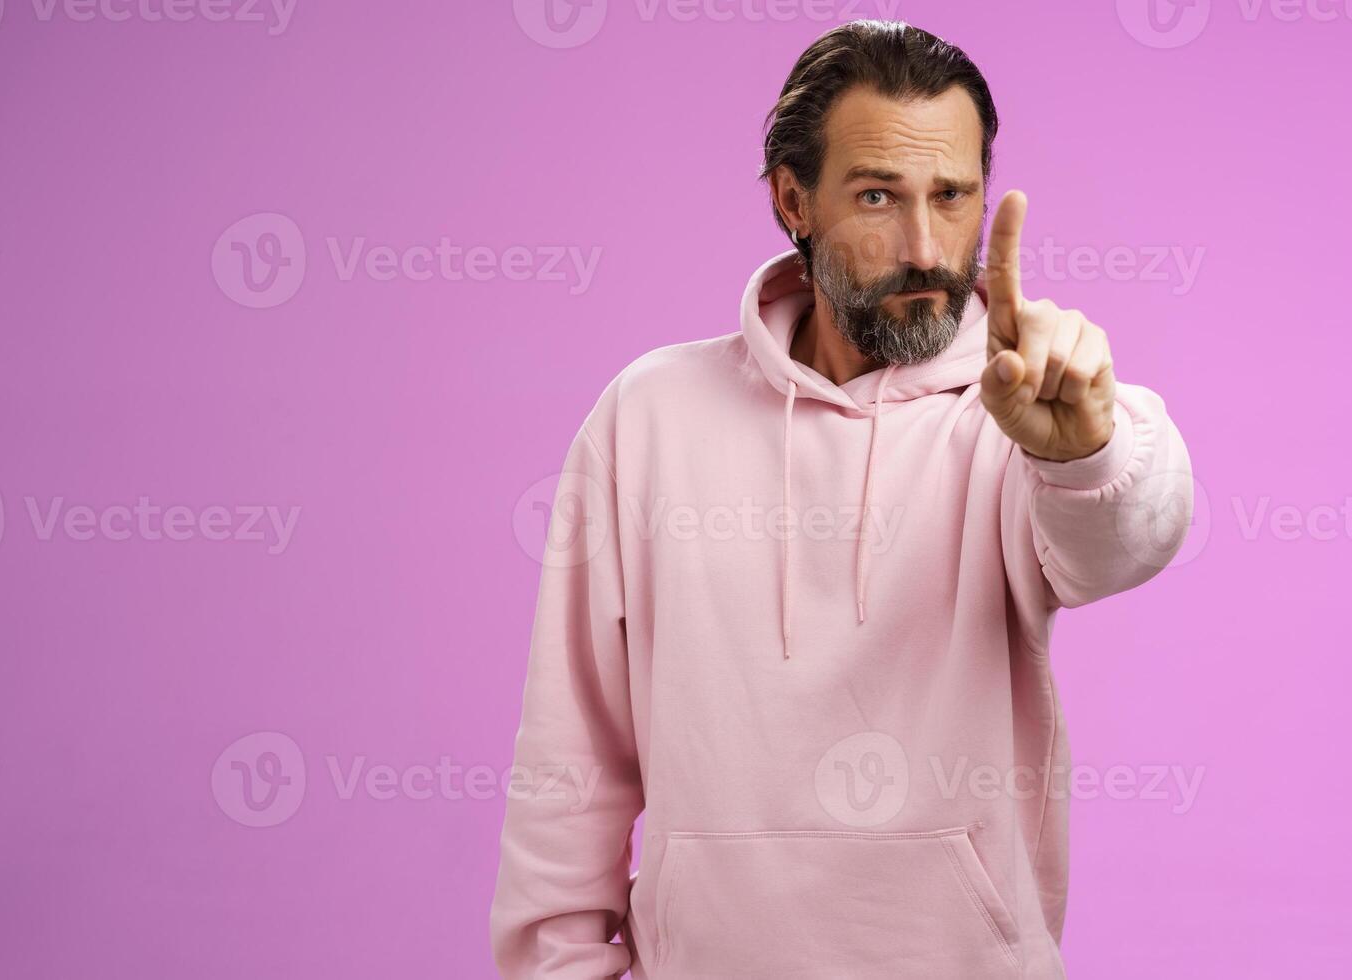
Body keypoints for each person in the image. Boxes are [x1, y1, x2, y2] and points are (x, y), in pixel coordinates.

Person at [489, 20, 1195, 979]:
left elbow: (1126, 539)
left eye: (952, 197)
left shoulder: (1021, 409)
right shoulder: (647, 416)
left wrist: (1085, 453)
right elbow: (570, 761)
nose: (924, 246)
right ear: (793, 201)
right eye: (877, 196)